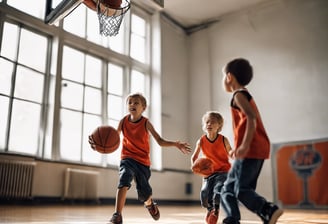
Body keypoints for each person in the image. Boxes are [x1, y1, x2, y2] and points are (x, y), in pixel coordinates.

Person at [109, 92, 191, 224]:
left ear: (144, 107)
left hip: (142, 162)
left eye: (136, 102)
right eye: (130, 102)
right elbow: (112, 138)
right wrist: (98, 144)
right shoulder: (123, 121)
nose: (132, 104)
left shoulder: (146, 123)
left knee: (144, 193)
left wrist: (176, 144)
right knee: (124, 179)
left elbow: (160, 140)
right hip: (127, 158)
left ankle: (150, 203)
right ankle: (117, 215)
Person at [220, 58, 283, 224]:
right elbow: (246, 124)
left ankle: (268, 210)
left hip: (250, 150)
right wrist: (238, 147)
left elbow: (251, 118)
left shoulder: (239, 95)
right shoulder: (244, 94)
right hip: (253, 149)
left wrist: (244, 146)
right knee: (227, 189)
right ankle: (233, 218)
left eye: (223, 76)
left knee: (242, 190)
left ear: (229, 77)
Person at [191, 111, 232, 224]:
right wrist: (194, 166)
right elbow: (194, 156)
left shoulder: (223, 139)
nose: (209, 124)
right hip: (209, 172)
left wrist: (235, 153)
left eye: (212, 122)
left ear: (219, 125)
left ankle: (215, 211)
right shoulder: (201, 140)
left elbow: (230, 151)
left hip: (223, 171)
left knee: (217, 190)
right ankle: (210, 209)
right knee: (204, 194)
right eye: (207, 122)